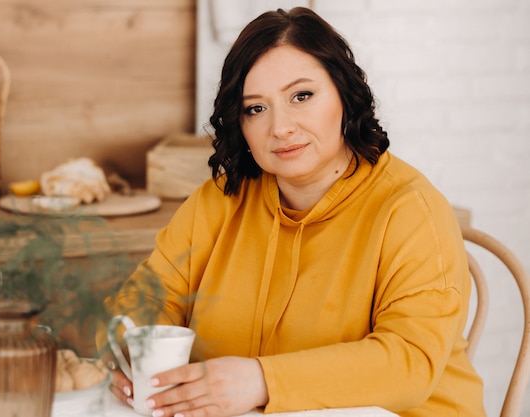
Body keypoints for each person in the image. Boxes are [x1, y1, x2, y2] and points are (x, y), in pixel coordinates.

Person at [103, 7, 486, 417]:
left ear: (344, 94)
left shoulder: (412, 211)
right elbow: (145, 297)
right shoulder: (219, 200)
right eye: (256, 108)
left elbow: (409, 360)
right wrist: (129, 352)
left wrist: (261, 380)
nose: (280, 127)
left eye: (301, 96)